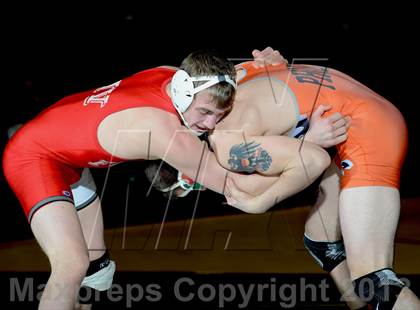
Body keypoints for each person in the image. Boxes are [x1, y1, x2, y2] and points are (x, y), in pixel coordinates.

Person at [2, 48, 329, 309]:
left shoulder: (175, 77)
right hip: (35, 157)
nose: (211, 124)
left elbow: (232, 75)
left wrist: (267, 65)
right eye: (204, 113)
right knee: (71, 265)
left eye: (220, 114)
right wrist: (305, 145)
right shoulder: (163, 132)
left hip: (68, 155)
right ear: (185, 94)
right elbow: (236, 188)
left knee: (96, 274)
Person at [146, 60, 420, 309]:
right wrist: (305, 142)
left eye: (194, 186)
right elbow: (269, 62)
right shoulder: (224, 81)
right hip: (355, 109)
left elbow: (312, 162)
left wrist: (259, 202)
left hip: (367, 128)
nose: (205, 188)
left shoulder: (228, 146)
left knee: (373, 282)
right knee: (321, 241)